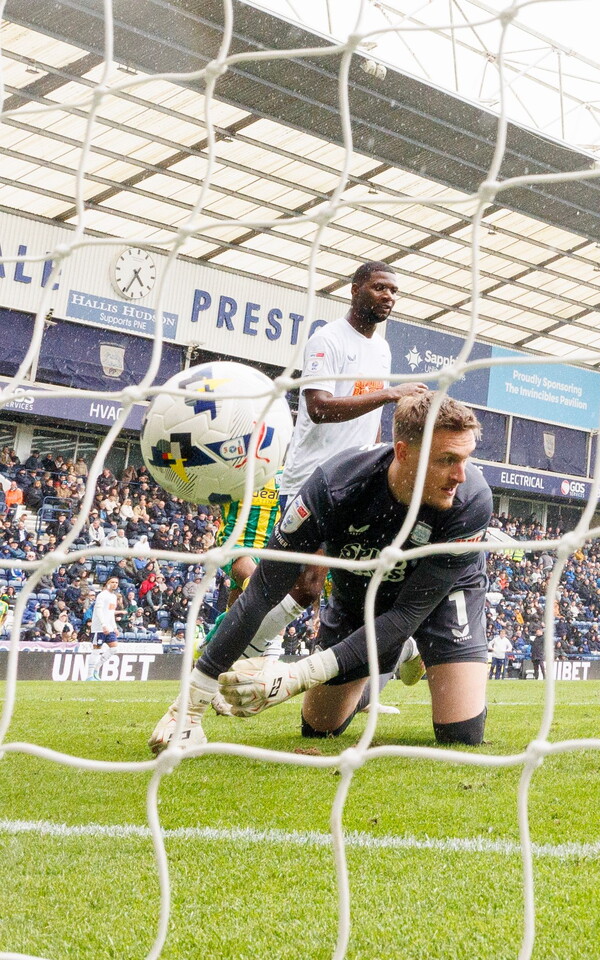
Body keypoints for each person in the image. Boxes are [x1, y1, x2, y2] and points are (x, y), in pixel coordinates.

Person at [150, 392, 493, 753]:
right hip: (364, 587)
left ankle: (409, 650)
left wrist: (298, 674)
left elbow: (409, 612)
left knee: (460, 736)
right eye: (447, 460)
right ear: (404, 452)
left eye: (465, 459)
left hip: (440, 595)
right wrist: (188, 708)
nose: (460, 475)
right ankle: (402, 654)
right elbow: (262, 591)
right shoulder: (334, 487)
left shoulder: (471, 501)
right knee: (320, 727)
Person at [210, 262, 428, 665]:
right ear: (355, 289)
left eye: (394, 291)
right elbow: (319, 407)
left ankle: (385, 657)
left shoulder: (381, 348)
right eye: (380, 288)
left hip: (358, 481)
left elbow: (370, 420)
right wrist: (389, 394)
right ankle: (229, 657)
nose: (389, 297)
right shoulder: (327, 340)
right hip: (312, 481)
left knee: (358, 581)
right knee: (299, 586)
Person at [89, 577, 121, 681]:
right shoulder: (102, 595)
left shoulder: (113, 597)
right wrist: (103, 624)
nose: (115, 584)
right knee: (96, 651)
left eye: (116, 582)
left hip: (109, 628)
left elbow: (111, 613)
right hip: (99, 628)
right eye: (112, 582)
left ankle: (96, 669)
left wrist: (114, 627)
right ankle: (89, 676)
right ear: (107, 583)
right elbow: (98, 611)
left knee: (114, 648)